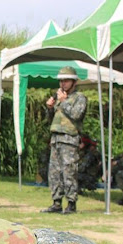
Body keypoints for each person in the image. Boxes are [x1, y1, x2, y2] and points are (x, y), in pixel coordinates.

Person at [40, 66, 87, 214]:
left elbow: (77, 115)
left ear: (74, 82)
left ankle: (71, 203)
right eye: (61, 81)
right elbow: (51, 120)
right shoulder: (60, 98)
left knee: (69, 171)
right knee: (54, 172)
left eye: (66, 81)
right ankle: (56, 202)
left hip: (69, 139)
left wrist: (64, 101)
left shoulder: (79, 98)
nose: (63, 84)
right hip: (56, 139)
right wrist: (49, 108)